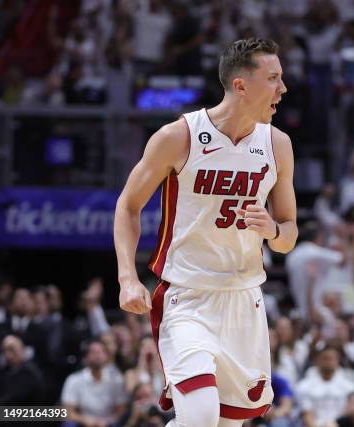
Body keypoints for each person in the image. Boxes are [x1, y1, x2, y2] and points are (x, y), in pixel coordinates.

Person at [114, 37, 297, 427]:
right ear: (241, 85)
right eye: (274, 78)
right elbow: (128, 206)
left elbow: (289, 234)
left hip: (244, 299)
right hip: (187, 296)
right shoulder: (178, 136)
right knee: (199, 418)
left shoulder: (277, 144)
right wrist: (127, 278)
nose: (283, 89)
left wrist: (273, 229)